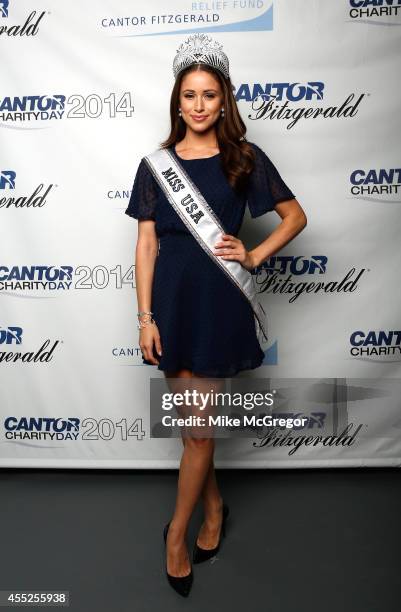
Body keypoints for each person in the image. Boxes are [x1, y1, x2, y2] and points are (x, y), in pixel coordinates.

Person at [125, 33, 307, 597]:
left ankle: (177, 536)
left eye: (209, 95)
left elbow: (295, 216)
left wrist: (253, 253)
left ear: (223, 101)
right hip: (173, 309)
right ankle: (215, 508)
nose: (199, 105)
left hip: (219, 305)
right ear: (176, 102)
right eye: (189, 95)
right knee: (192, 432)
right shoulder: (156, 165)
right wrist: (145, 317)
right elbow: (146, 245)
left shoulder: (243, 159)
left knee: (198, 435)